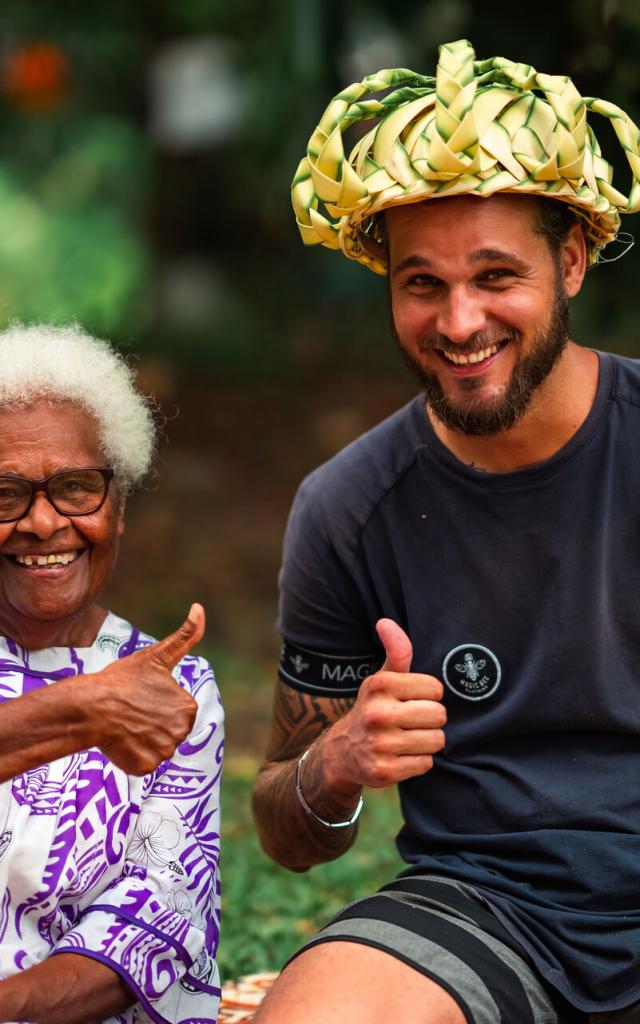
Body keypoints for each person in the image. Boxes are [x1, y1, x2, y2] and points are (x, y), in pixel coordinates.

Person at [252, 39, 640, 1024]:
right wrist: (337, 764)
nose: (458, 322)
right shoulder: (348, 508)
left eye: (495, 275)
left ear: (572, 260)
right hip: (489, 906)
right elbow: (288, 828)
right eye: (421, 283)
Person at [0, 323, 223, 1024]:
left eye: (75, 487)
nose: (42, 523)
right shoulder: (116, 697)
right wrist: (80, 713)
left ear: (118, 509)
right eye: (4, 493)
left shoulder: (176, 691)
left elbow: (146, 933)